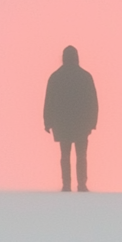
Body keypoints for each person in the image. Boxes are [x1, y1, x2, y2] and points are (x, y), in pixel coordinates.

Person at [43, 45, 98, 191]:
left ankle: (66, 185)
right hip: (81, 124)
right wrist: (92, 122)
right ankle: (82, 184)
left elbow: (49, 100)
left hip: (62, 124)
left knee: (64, 155)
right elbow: (93, 101)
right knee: (81, 156)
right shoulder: (85, 76)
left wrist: (47, 122)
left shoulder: (55, 77)